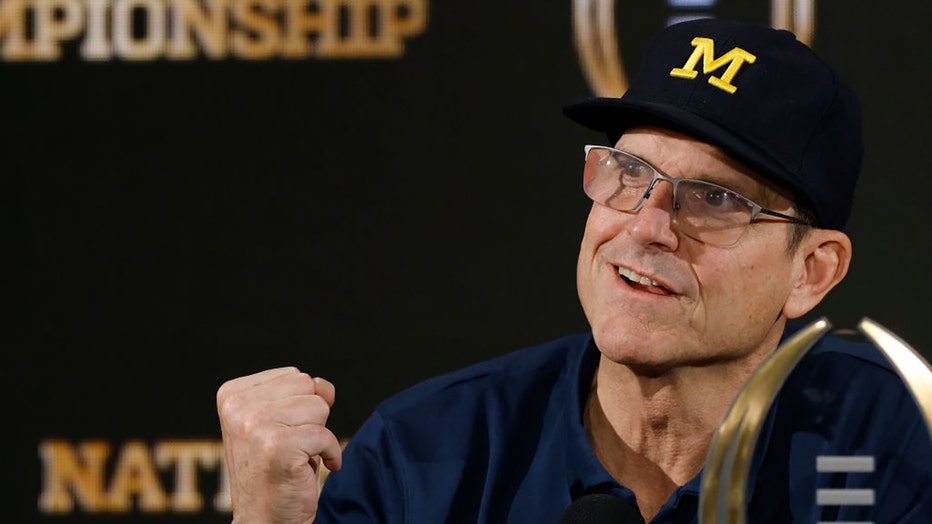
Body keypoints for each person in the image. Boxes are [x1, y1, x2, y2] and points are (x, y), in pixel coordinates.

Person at [216, 18, 931, 524]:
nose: (647, 227)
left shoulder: (898, 453)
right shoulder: (426, 455)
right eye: (628, 172)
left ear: (811, 271)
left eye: (714, 199)